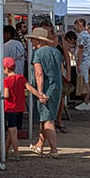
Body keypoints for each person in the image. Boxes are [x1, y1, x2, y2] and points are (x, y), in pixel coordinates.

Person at [23, 27, 64, 158]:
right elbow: (61, 69)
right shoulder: (56, 52)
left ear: (37, 40)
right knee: (44, 117)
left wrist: (40, 92)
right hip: (56, 87)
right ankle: (39, 145)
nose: (31, 42)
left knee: (47, 120)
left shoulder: (38, 53)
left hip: (45, 88)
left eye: (32, 39)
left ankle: (54, 149)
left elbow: (39, 73)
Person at [0, 57, 27, 161]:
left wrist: (0, 95)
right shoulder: (21, 77)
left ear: (6, 69)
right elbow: (28, 87)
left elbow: (6, 95)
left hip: (10, 108)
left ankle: (16, 153)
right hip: (19, 108)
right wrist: (39, 95)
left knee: (13, 132)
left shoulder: (6, 81)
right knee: (11, 132)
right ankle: (5, 151)